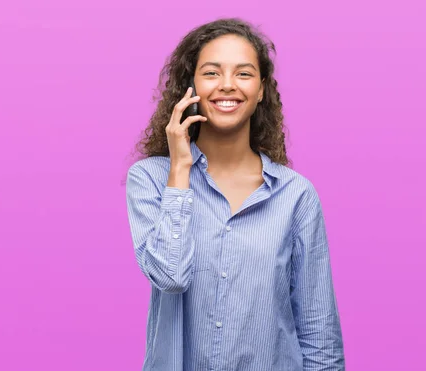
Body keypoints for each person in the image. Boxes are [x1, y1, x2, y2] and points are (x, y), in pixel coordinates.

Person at [125, 18, 345, 371]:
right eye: (212, 73)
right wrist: (179, 171)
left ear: (261, 91)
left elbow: (318, 329)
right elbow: (170, 276)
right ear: (190, 86)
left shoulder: (296, 195)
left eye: (243, 74)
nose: (227, 86)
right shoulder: (151, 179)